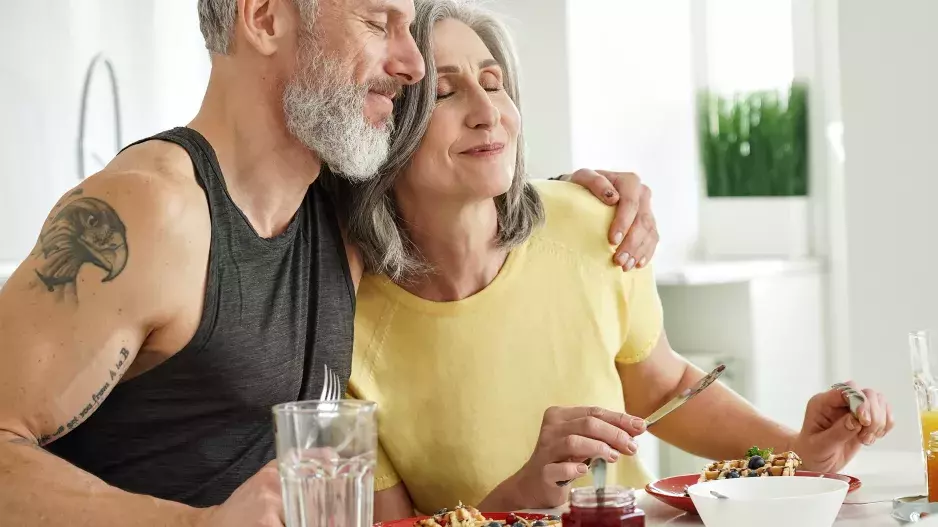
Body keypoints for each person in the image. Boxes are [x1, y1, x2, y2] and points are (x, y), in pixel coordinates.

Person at [0, 1, 659, 525]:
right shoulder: (152, 209)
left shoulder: (337, 217)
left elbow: (455, 197)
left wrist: (582, 195)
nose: (411, 64)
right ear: (263, 16)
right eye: (378, 23)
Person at [344, 0, 896, 521]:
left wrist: (797, 450)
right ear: (383, 125)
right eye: (444, 93)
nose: (489, 112)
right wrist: (522, 495)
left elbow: (660, 385)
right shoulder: (342, 327)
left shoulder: (593, 224)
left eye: (494, 84)